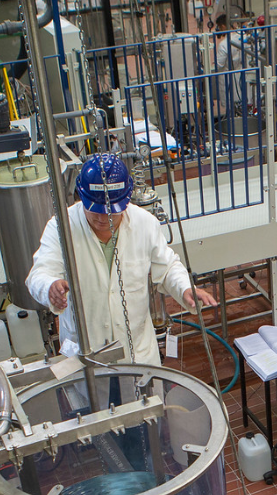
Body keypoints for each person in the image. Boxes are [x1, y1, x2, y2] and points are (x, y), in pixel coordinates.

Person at [27, 154, 217, 366]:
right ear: (81, 197)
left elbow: (168, 266)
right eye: (95, 210)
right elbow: (38, 275)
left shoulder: (144, 223)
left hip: (136, 351)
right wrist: (49, 287)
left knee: (147, 398)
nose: (102, 218)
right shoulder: (60, 227)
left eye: (111, 212)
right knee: (92, 397)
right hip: (86, 355)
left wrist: (184, 288)